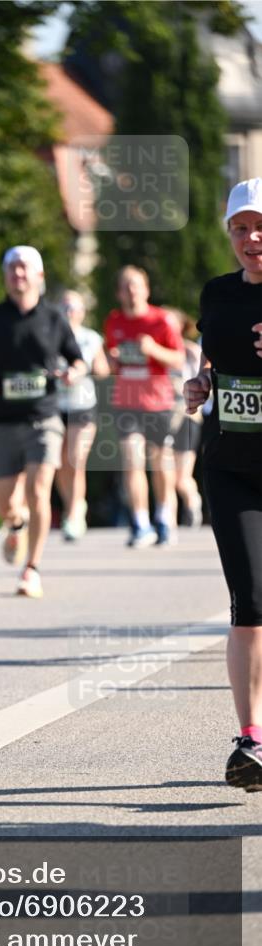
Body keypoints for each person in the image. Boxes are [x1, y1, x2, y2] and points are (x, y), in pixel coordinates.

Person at [183, 176, 262, 793]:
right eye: (241, 228)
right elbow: (208, 359)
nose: (252, 239)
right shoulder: (216, 294)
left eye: (260, 228)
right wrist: (198, 385)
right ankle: (251, 740)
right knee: (251, 602)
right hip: (230, 465)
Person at [0, 245, 85, 597]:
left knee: (38, 490)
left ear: (39, 276)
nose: (18, 274)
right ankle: (16, 524)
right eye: (12, 268)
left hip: (43, 418)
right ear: (5, 276)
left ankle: (32, 568)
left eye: (25, 268)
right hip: (0, 421)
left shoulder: (54, 319)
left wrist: (73, 373)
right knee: (5, 503)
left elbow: (77, 360)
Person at [104, 267, 185, 547]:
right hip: (125, 402)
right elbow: (110, 364)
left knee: (160, 462)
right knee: (131, 460)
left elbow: (178, 360)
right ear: (119, 292)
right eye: (126, 286)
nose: (131, 291)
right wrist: (113, 361)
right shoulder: (113, 321)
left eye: (136, 285)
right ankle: (140, 523)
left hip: (157, 401)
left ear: (146, 290)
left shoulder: (161, 320)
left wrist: (153, 350)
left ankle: (165, 518)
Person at [55, 290, 110, 541]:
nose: (69, 313)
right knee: (59, 464)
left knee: (76, 460)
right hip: (55, 406)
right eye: (64, 308)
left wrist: (92, 367)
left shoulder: (90, 338)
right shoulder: (50, 336)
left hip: (82, 405)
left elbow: (103, 370)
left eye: (73, 308)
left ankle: (76, 512)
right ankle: (71, 506)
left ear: (81, 313)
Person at [164, 308, 203, 526]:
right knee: (165, 473)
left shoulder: (190, 351)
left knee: (181, 477)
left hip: (188, 417)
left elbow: (204, 379)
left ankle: (192, 504)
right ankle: (167, 520)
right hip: (163, 416)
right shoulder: (158, 353)